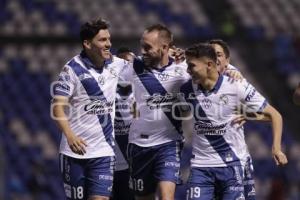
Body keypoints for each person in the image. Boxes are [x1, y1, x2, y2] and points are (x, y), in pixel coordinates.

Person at [180, 43, 288, 200]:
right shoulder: (187, 88)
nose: (188, 71)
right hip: (201, 166)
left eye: (191, 66)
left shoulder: (236, 85)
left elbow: (275, 115)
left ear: (209, 65)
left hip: (231, 165)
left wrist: (276, 148)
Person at [51, 18, 130, 200]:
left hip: (104, 153)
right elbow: (57, 108)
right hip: (74, 153)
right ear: (87, 43)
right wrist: (70, 136)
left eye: (109, 39)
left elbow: (145, 67)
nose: (109, 44)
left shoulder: (117, 65)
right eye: (102, 40)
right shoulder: (71, 70)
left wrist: (174, 57)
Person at [119, 24, 190, 200]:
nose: (142, 51)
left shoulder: (184, 71)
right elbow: (106, 67)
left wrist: (235, 74)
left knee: (167, 196)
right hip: (139, 146)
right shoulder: (134, 67)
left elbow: (214, 70)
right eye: (142, 46)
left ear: (165, 47)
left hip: (169, 144)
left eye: (148, 47)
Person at [111, 48, 135, 200]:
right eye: (125, 65)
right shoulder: (106, 90)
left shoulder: (143, 90)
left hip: (133, 165)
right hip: (108, 163)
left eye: (131, 65)